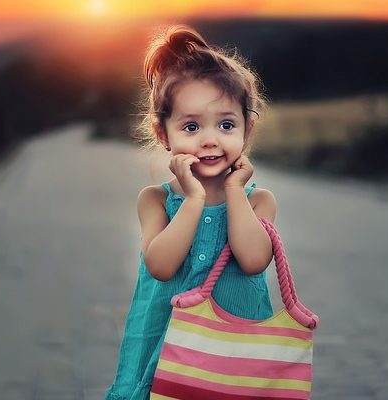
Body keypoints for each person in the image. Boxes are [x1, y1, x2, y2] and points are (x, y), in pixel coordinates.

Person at [104, 24, 277, 400]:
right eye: (192, 126)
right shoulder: (154, 200)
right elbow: (161, 265)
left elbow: (253, 260)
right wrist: (195, 200)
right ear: (164, 134)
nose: (210, 139)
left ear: (247, 129)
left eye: (226, 124)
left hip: (234, 361)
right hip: (165, 358)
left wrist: (233, 190)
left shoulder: (257, 201)